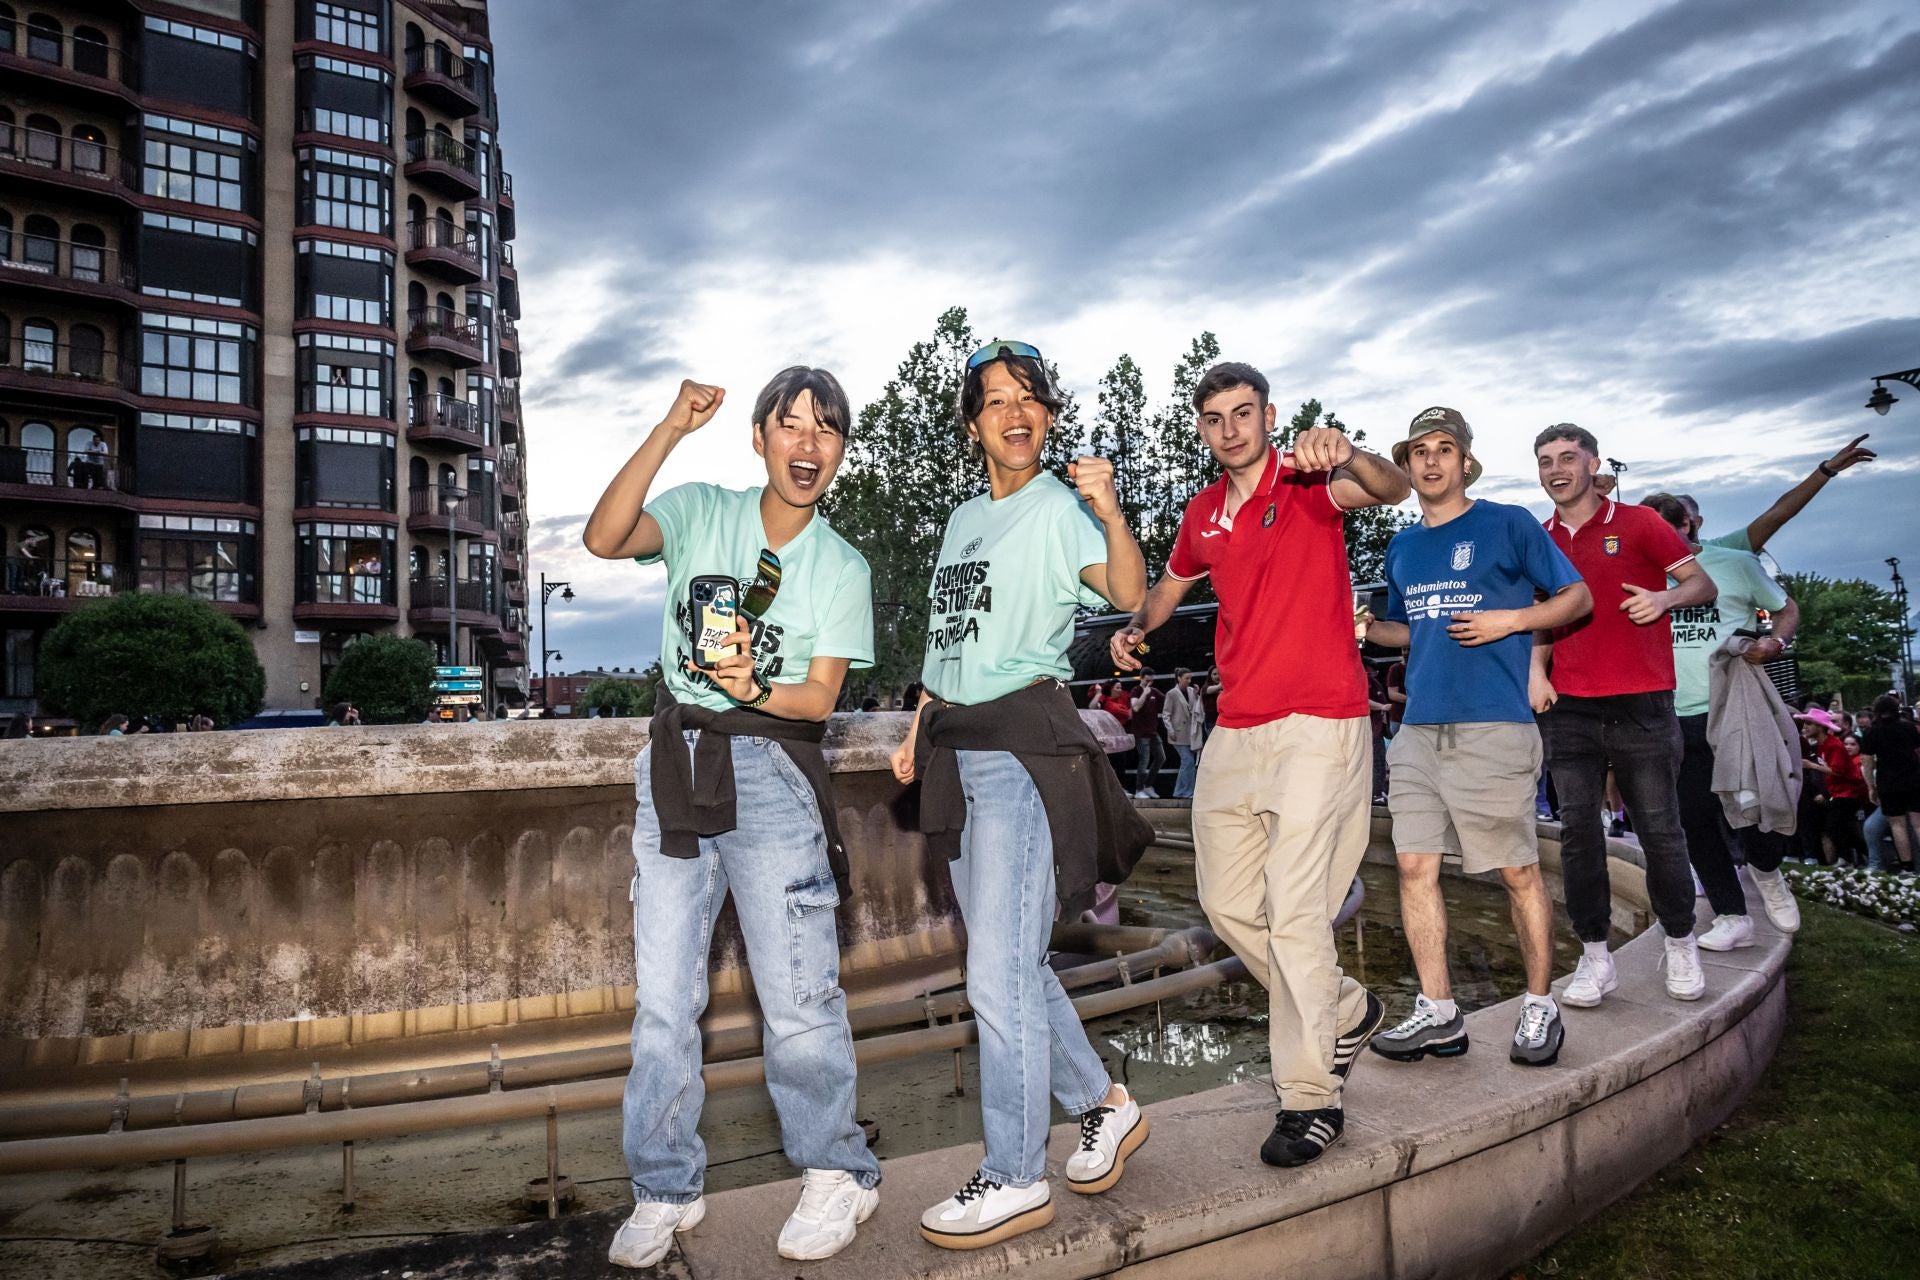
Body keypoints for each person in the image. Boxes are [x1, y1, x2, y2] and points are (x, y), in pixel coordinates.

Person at [582, 369, 881, 1267]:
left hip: (774, 771)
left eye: (826, 431)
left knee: (797, 997)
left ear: (839, 452)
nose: (807, 444)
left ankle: (840, 1170)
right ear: (759, 438)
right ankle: (665, 1185)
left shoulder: (843, 565)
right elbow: (603, 537)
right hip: (675, 761)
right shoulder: (703, 509)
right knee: (665, 1000)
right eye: (791, 426)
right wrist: (673, 425)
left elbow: (821, 697)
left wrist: (754, 684)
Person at [1111, 361, 1411, 1168]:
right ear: (1203, 428)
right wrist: (1136, 628)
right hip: (1237, 728)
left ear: (1268, 416)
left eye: (1244, 413)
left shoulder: (1311, 479)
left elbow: (1387, 486)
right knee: (1229, 900)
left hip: (1321, 721)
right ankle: (1344, 1009)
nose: (1230, 429)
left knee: (1297, 909)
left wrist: (1346, 451)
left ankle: (1310, 1097)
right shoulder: (1203, 512)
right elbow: (1173, 584)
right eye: (1215, 418)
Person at [888, 338, 1151, 1250]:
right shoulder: (962, 521)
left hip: (1021, 748)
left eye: (1029, 396)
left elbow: (1124, 588)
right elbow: (947, 642)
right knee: (1011, 961)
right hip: (960, 748)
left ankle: (1012, 1174)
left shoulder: (1057, 509)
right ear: (974, 426)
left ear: (1045, 415)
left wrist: (1110, 508)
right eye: (995, 399)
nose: (1014, 410)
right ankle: (1102, 1102)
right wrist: (918, 723)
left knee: (996, 969)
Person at [1360, 408, 1592, 1068]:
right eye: (1419, 452)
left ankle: (1539, 1003)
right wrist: (1372, 631)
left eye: (1444, 450)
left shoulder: (1508, 523)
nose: (1431, 462)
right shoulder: (1403, 547)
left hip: (1494, 723)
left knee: (1517, 870)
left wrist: (1511, 620)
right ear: (1407, 466)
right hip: (1417, 730)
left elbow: (1577, 599)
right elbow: (1416, 629)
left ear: (1465, 461)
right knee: (1412, 866)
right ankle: (1439, 1012)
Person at [1531, 424, 1717, 1006]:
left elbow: (1701, 584)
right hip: (1570, 706)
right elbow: (1541, 613)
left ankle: (1681, 939)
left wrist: (1664, 598)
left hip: (1642, 701)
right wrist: (1537, 673)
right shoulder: (1539, 538)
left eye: (1567, 457)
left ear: (1592, 464)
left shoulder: (1640, 523)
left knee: (1660, 828)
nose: (1556, 469)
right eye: (1545, 461)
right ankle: (1594, 955)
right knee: (1579, 834)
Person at [1640, 493, 1802, 943]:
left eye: (1658, 533)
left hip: (1731, 707)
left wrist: (1776, 642)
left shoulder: (1733, 563)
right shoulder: (1640, 575)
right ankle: (1733, 915)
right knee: (1692, 820)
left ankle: (1767, 873)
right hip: (1670, 714)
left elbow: (1786, 607)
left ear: (1686, 528)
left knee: (1754, 804)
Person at [1860, 694, 1920, 873]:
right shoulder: (1908, 727)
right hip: (1914, 779)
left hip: (1888, 782)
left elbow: (1867, 761)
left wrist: (1871, 786)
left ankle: (1906, 866)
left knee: (1897, 825)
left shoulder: (1872, 731)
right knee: (1918, 823)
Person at [1163, 668, 1205, 799]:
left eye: (1190, 678)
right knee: (1188, 761)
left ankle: (1180, 791)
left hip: (1190, 733)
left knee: (1187, 763)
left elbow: (1196, 708)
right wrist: (1170, 730)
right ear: (1179, 678)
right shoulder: (1172, 694)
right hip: (1178, 733)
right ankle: (1186, 791)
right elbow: (1166, 714)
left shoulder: (1192, 691)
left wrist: (1197, 694)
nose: (1189, 681)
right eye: (1187, 678)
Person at [1127, 669, 1165, 798]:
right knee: (1144, 760)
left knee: (1161, 757)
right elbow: (1136, 707)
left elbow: (1167, 700)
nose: (1149, 683)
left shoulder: (1154, 692)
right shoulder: (1136, 691)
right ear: (1141, 678)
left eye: (1151, 681)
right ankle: (1139, 790)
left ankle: (1148, 785)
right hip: (1140, 732)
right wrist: (1145, 693)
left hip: (1153, 731)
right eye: (1147, 680)